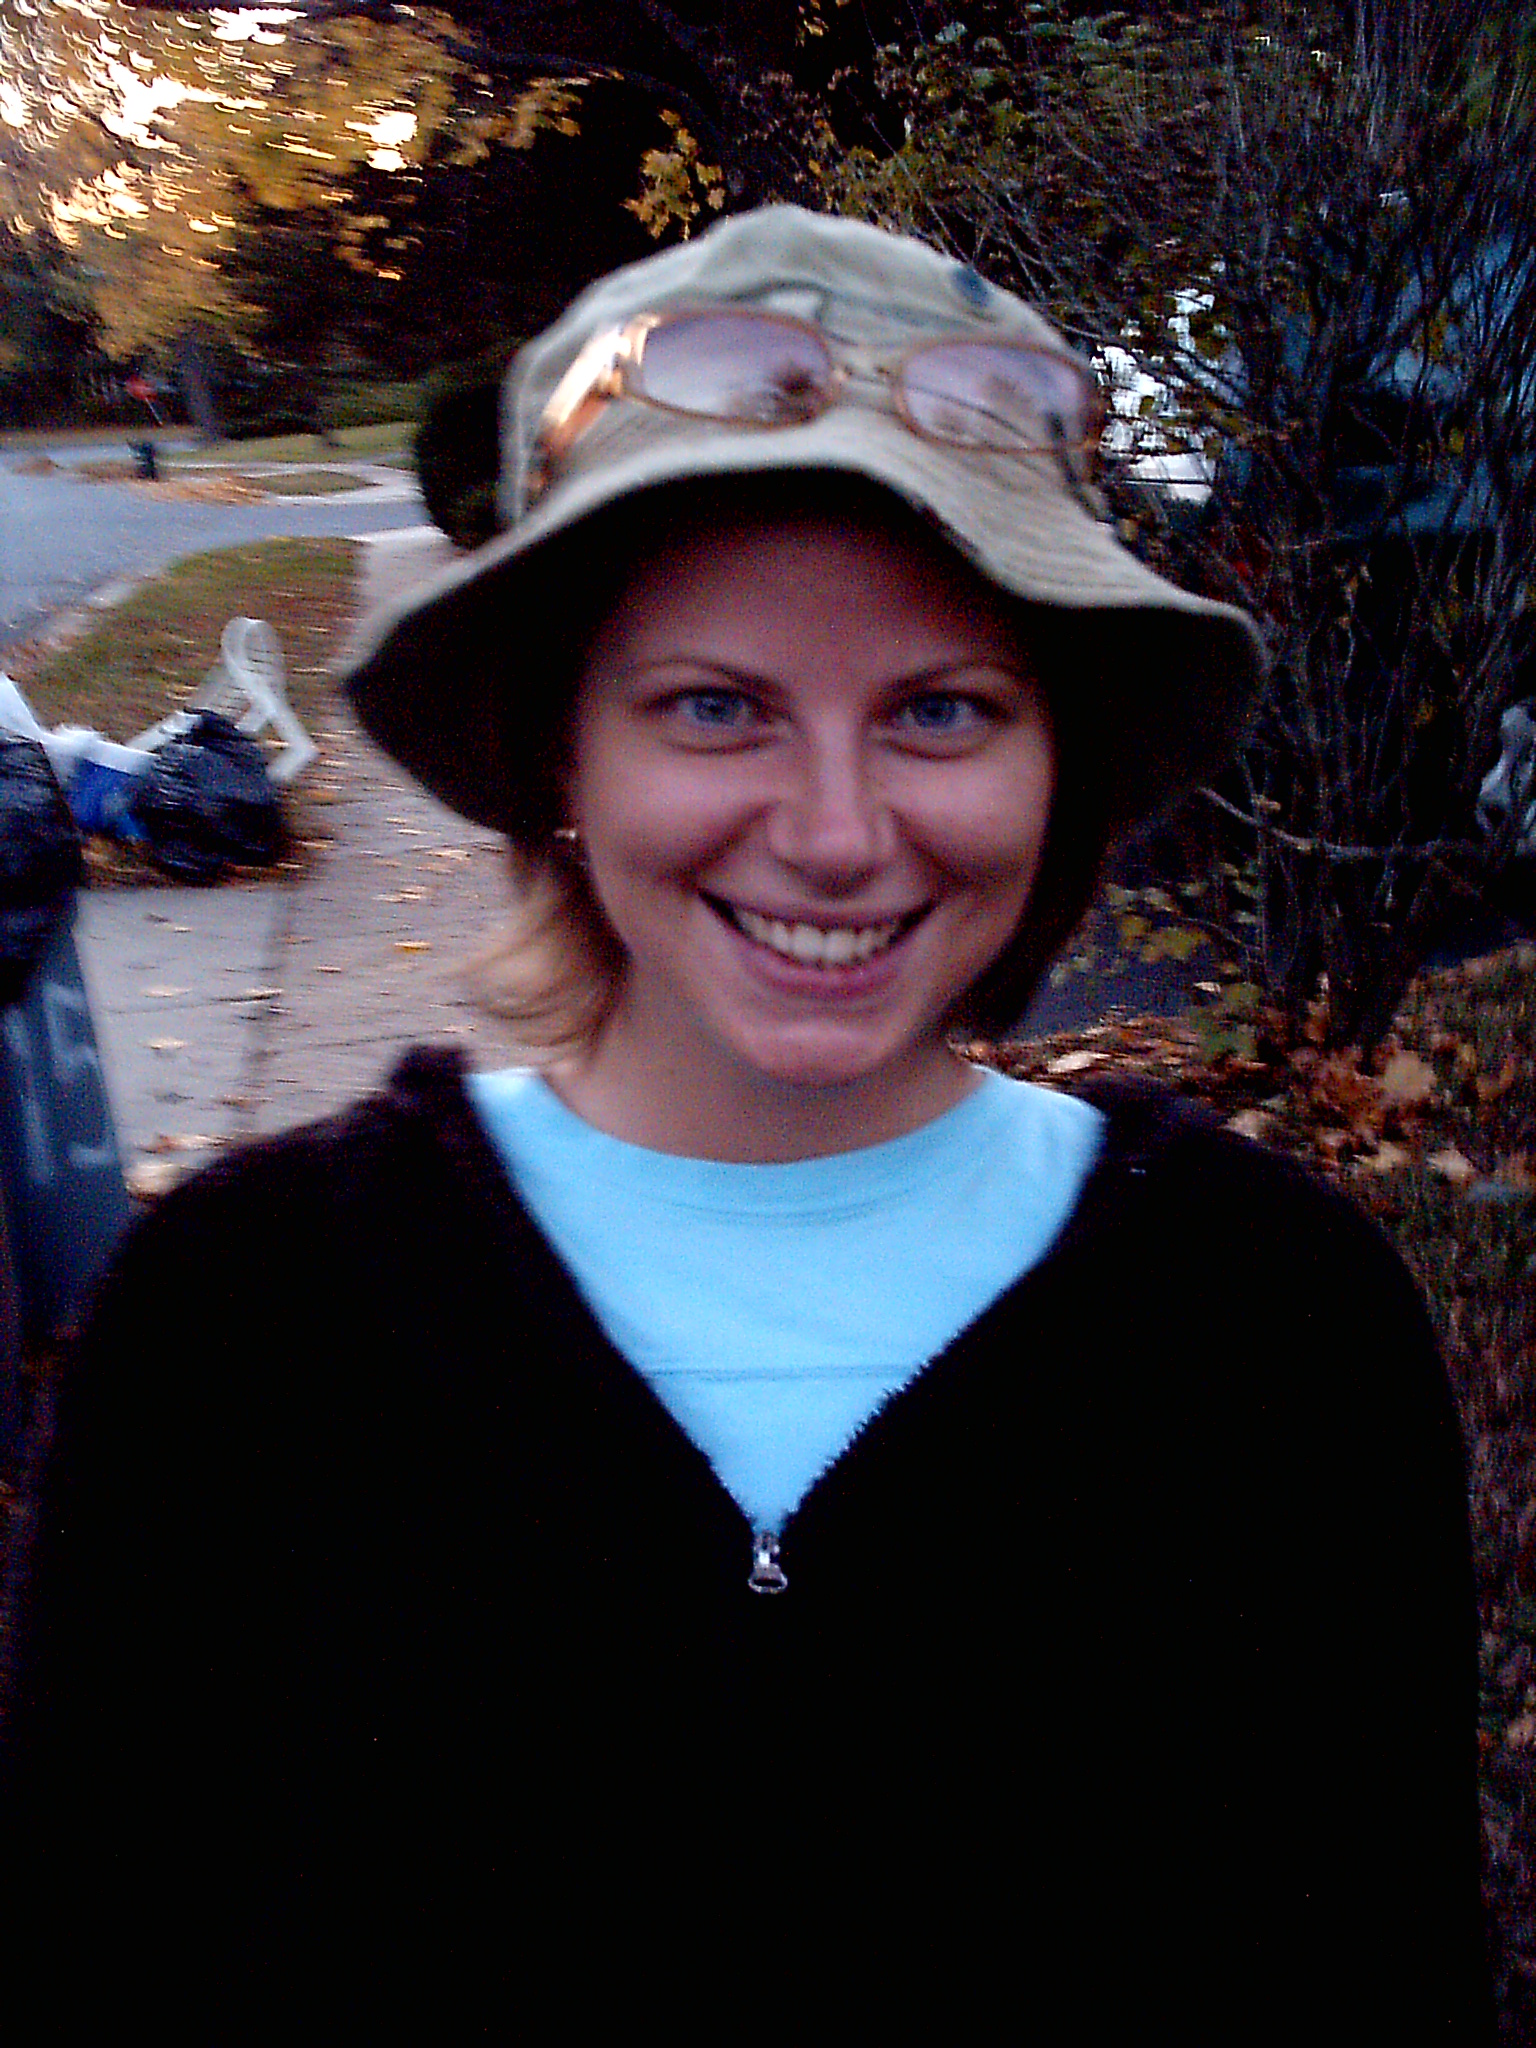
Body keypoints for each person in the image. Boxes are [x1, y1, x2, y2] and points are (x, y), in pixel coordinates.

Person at [1, 208, 1490, 2038]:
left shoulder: (1274, 1320)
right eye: (715, 707)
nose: (837, 833)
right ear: (561, 749)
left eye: (941, 710)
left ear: (1061, 761)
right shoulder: (241, 1323)